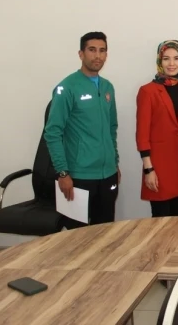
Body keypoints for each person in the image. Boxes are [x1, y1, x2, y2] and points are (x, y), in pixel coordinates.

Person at [44, 31, 120, 228]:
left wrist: (114, 163)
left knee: (105, 233)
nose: (97, 55)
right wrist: (62, 173)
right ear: (81, 54)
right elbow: (52, 133)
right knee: (77, 238)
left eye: (102, 51)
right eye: (92, 50)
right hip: (78, 177)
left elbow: (112, 128)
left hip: (108, 175)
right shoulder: (67, 87)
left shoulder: (108, 87)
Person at [135, 40, 178, 218]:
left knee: (177, 216)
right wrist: (148, 169)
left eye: (176, 58)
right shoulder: (147, 91)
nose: (172, 63)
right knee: (160, 220)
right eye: (166, 58)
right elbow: (142, 133)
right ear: (159, 61)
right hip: (158, 166)